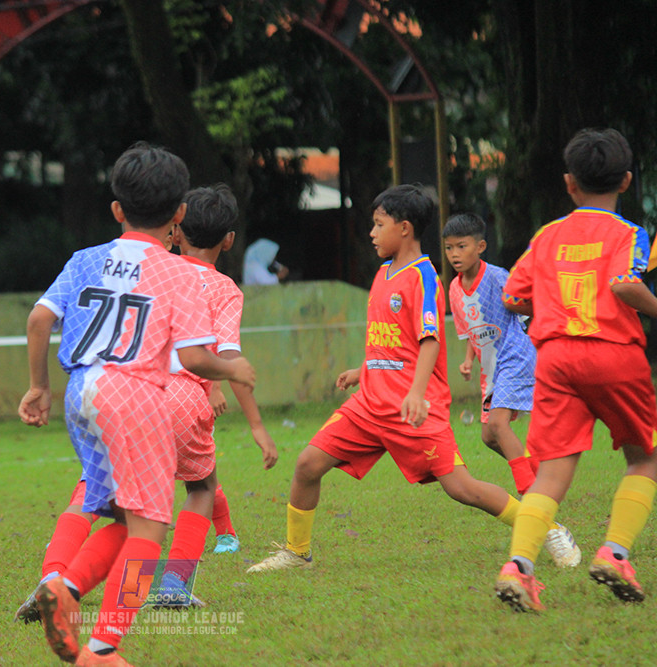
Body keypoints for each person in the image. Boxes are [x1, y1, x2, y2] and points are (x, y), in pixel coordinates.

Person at [18, 142, 256, 666]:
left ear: (117, 211)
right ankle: (103, 648)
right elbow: (194, 357)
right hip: (136, 396)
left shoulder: (85, 259)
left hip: (82, 394)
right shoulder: (180, 274)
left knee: (120, 520)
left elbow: (39, 320)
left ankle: (64, 586)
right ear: (179, 215)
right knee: (150, 527)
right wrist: (231, 368)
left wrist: (39, 387)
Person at [245, 184, 556, 576]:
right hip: (369, 404)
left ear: (405, 228)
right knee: (307, 464)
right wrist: (363, 369)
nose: (372, 233)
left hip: (413, 410)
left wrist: (414, 394)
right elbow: (387, 338)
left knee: (463, 488)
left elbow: (429, 341)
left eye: (378, 225)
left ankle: (542, 525)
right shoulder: (382, 274)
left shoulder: (423, 277)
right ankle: (296, 552)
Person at [494, 128, 657, 612]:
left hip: (556, 359)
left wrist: (547, 302)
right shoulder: (629, 234)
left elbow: (513, 296)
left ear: (569, 184)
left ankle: (518, 569)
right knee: (644, 456)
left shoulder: (546, 236)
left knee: (551, 472)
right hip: (612, 353)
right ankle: (615, 553)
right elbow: (628, 285)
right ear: (626, 180)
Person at [156, 184, 279, 605]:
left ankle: (60, 573)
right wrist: (258, 426)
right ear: (229, 240)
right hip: (185, 396)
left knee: (121, 496)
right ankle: (174, 584)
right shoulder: (225, 289)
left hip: (129, 392)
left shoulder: (152, 271)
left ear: (176, 230)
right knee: (201, 486)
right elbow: (229, 357)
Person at [443, 213, 580, 567]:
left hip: (516, 356)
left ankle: (543, 516)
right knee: (489, 436)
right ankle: (543, 480)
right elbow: (473, 330)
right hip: (492, 367)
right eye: (448, 248)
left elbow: (528, 305)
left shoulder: (499, 277)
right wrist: (469, 360)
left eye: (462, 246)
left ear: (480, 246)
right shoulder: (455, 289)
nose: (455, 254)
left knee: (500, 426)